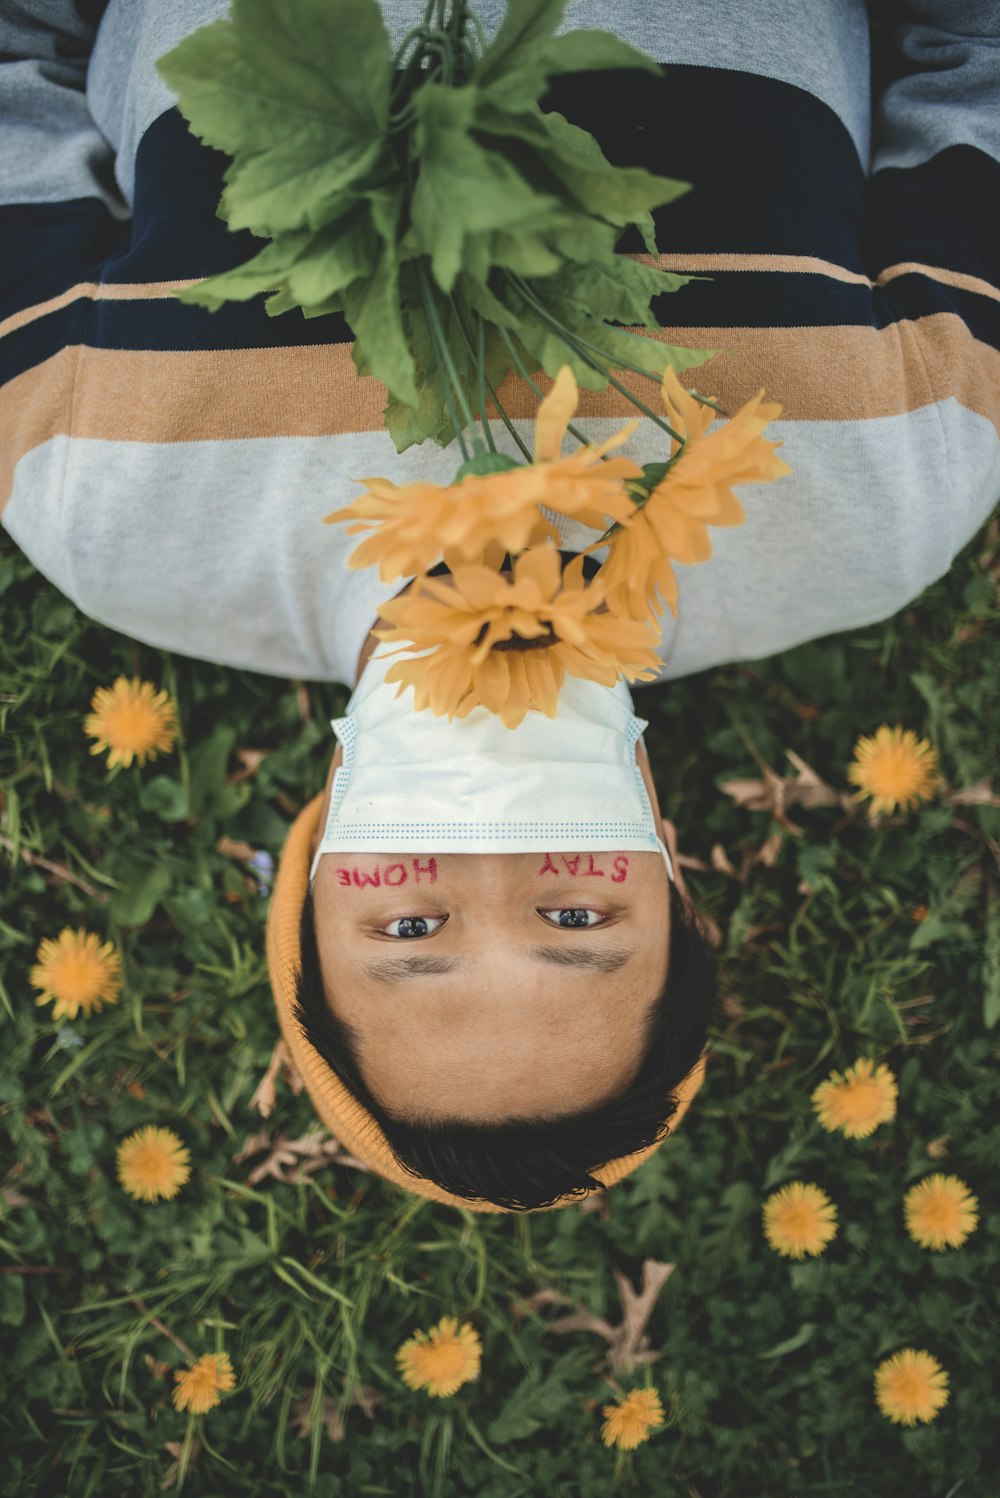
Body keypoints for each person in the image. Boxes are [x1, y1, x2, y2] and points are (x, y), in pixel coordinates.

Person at [2, 1, 998, 1212]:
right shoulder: (889, 496)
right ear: (671, 878)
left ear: (305, 884)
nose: (487, 854)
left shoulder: (101, 508)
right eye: (575, 913)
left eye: (408, 934)